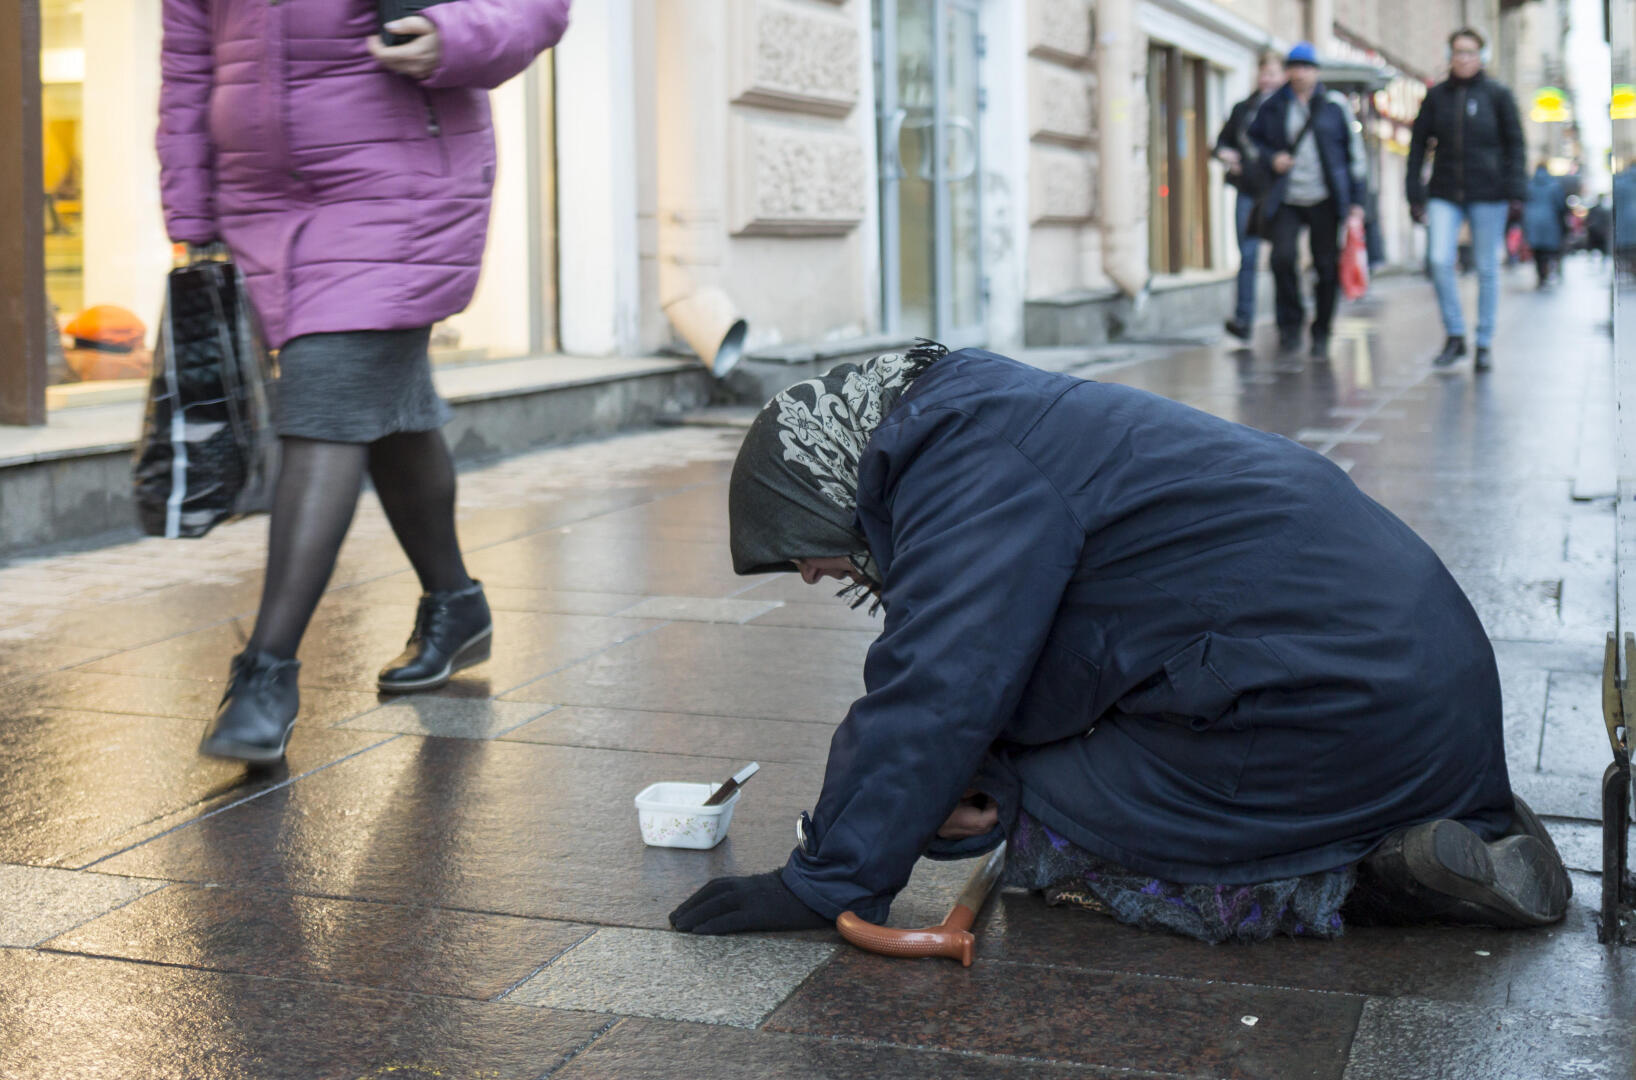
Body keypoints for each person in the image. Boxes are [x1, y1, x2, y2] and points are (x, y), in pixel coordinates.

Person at [668, 345, 1571, 942]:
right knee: (1010, 776)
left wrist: (827, 880)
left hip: (1340, 712)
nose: (819, 577)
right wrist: (971, 768)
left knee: (1046, 820)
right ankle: (1443, 823)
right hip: (1400, 691)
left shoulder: (968, 472)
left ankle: (1373, 875)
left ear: (824, 490)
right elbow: (1053, 653)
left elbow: (938, 683)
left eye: (803, 554)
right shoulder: (978, 419)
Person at [158, 0, 571, 764]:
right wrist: (190, 214)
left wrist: (453, 37)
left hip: (396, 182)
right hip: (259, 199)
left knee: (327, 395)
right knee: (384, 403)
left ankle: (266, 675)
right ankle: (456, 606)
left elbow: (535, 8)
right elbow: (188, 60)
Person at [1406, 28, 1526, 371]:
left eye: (1471, 52)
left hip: (1489, 193)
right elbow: (1417, 147)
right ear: (1449, 56)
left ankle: (1484, 342)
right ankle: (1456, 335)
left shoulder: (1498, 95)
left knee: (1487, 268)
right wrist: (1414, 193)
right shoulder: (1436, 97)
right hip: (1445, 192)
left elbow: (1515, 145)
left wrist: (1516, 192)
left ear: (1481, 57)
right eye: (1458, 51)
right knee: (1440, 260)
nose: (1463, 58)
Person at [1245, 42, 1366, 362]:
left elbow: (1355, 157)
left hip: (1325, 198)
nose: (1300, 73)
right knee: (1281, 260)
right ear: (1288, 71)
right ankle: (1291, 323)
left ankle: (1322, 331)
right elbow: (1253, 142)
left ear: (1316, 71)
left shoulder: (1334, 107)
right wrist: (1273, 159)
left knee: (1326, 267)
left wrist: (1357, 200)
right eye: (1294, 67)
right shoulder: (1273, 106)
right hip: (1286, 198)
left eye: (1306, 67)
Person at [1215, 50, 1284, 342]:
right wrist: (1227, 154)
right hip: (1248, 191)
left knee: (1283, 258)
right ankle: (1244, 319)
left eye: (1272, 73)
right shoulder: (1243, 108)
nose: (1266, 79)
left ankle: (1287, 320)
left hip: (1280, 192)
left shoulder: (1288, 109)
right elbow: (1221, 142)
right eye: (1262, 73)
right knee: (1248, 256)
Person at [1522, 163, 1568, 288]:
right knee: (1550, 249)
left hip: (1532, 220)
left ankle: (1541, 275)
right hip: (1550, 220)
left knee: (1537, 250)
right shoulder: (1554, 185)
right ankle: (1548, 272)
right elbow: (1561, 205)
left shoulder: (1529, 185)